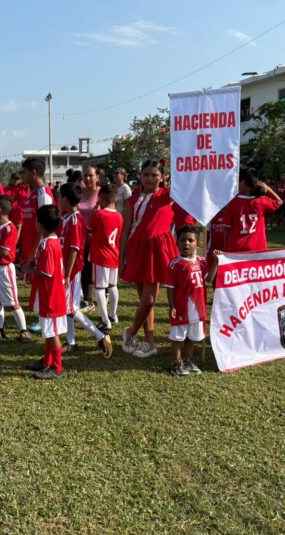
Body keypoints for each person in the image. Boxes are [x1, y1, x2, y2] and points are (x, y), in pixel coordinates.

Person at [118, 159, 178, 359]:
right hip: (137, 250)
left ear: (163, 178)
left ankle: (131, 332)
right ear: (140, 176)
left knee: (149, 300)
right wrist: (121, 259)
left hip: (158, 250)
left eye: (155, 175)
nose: (150, 179)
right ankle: (150, 343)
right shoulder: (132, 199)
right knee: (144, 299)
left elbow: (187, 182)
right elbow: (125, 230)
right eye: (146, 174)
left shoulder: (168, 195)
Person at [58, 183, 112, 358]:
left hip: (72, 271)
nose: (58, 201)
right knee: (68, 308)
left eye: (59, 197)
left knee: (71, 309)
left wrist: (67, 273)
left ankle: (100, 335)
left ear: (65, 199)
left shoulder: (75, 219)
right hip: (65, 269)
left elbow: (74, 248)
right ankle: (71, 341)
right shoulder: (65, 218)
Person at [163, 226, 216, 377]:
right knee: (178, 336)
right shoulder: (175, 264)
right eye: (182, 240)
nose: (186, 243)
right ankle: (176, 363)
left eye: (190, 240)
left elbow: (209, 279)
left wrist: (216, 262)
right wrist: (172, 306)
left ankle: (187, 360)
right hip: (181, 308)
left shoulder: (202, 261)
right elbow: (170, 288)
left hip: (198, 309)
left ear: (197, 244)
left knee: (192, 336)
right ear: (177, 243)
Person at [22, 205, 67, 380]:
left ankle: (57, 368)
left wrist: (29, 269)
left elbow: (47, 272)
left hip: (52, 296)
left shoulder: (49, 245)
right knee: (49, 331)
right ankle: (47, 362)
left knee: (52, 332)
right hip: (48, 294)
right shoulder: (48, 242)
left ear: (39, 224)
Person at [0, 196, 31, 343]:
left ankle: (24, 331)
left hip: (4, 269)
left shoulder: (10, 228)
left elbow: (4, 251)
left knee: (12, 301)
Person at [87, 184, 123, 332]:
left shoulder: (99, 214)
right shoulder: (119, 216)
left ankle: (105, 320)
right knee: (113, 286)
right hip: (114, 255)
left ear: (101, 199)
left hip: (101, 256)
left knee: (100, 288)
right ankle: (113, 315)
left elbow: (88, 229)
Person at [222, 170, 283, 252]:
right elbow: (279, 202)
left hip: (236, 248)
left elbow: (227, 229)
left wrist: (225, 247)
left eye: (237, 182)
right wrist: (268, 188)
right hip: (257, 248)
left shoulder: (232, 203)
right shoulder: (261, 201)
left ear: (243, 182)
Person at [19, 158, 54, 270]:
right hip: (29, 247)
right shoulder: (31, 193)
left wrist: (35, 251)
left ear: (33, 173)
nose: (22, 175)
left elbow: (45, 226)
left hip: (39, 250)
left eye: (24, 172)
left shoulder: (43, 195)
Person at [78, 165, 101, 308]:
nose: (87, 178)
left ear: (97, 177)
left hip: (97, 238)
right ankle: (87, 299)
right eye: (85, 175)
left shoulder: (101, 193)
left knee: (97, 270)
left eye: (90, 175)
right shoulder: (78, 193)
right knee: (84, 268)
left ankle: (102, 298)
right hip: (80, 237)